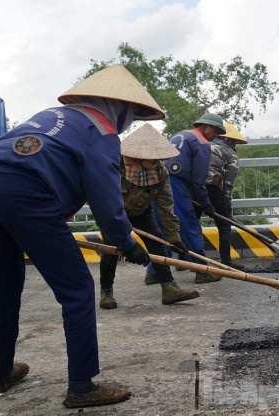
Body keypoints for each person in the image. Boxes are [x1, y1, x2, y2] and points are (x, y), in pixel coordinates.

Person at [0, 64, 160, 409]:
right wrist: (127, 243)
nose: (128, 121)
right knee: (76, 289)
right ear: (116, 107)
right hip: (27, 194)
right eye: (130, 114)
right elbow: (107, 201)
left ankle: (0, 373)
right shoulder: (100, 132)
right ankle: (82, 386)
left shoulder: (52, 116)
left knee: (3, 285)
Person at [99, 123, 199, 308]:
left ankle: (169, 288)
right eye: (153, 159)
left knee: (158, 243)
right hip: (112, 212)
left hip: (141, 211)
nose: (157, 162)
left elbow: (165, 206)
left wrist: (175, 238)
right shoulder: (115, 166)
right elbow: (99, 195)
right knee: (111, 250)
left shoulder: (160, 173)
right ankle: (106, 292)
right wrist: (125, 238)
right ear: (139, 156)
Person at [148, 113, 226, 284]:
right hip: (175, 183)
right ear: (206, 127)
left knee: (163, 226)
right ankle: (202, 270)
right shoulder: (202, 143)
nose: (215, 136)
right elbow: (199, 182)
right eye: (216, 131)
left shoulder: (180, 135)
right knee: (190, 225)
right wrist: (207, 205)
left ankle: (155, 271)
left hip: (156, 178)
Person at [203, 122, 248, 269]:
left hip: (193, 186)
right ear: (230, 140)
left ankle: (186, 260)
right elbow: (228, 184)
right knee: (224, 224)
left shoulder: (204, 145)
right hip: (212, 185)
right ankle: (226, 260)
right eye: (234, 141)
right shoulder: (230, 154)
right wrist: (227, 206)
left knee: (191, 222)